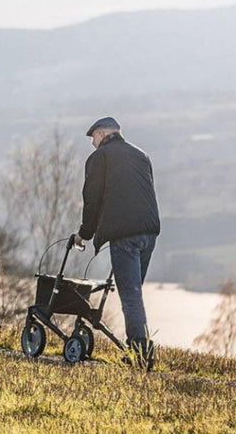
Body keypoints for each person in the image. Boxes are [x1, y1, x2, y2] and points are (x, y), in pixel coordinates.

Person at [71, 117, 161, 369]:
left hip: (125, 235)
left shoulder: (100, 158)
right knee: (134, 293)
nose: (92, 145)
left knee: (130, 295)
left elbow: (92, 199)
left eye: (92, 139)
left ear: (100, 134)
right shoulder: (141, 155)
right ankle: (137, 348)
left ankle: (140, 352)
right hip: (149, 232)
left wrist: (84, 234)